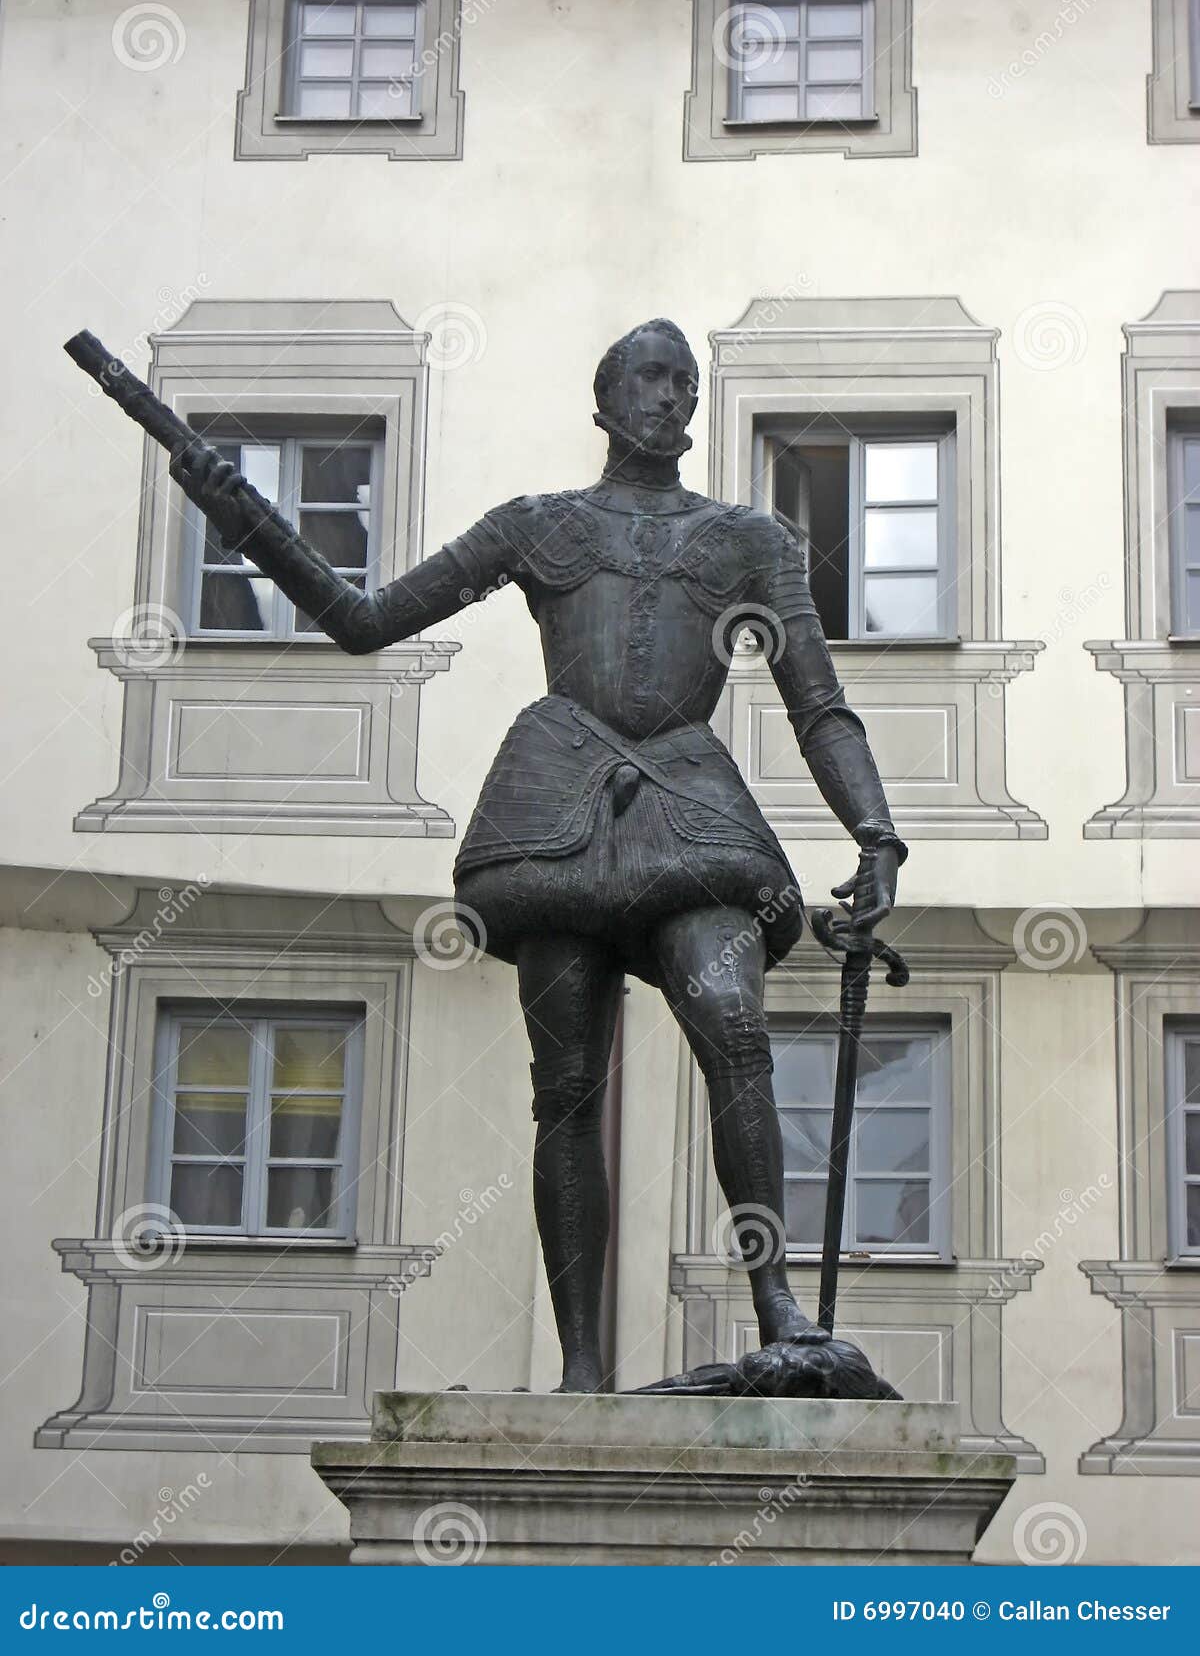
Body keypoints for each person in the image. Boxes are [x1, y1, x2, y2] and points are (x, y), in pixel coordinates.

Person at [171, 318, 906, 1393]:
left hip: (692, 811)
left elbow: (820, 707)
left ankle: (777, 1301)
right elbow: (366, 618)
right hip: (560, 805)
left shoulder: (750, 538)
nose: (671, 399)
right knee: (565, 1089)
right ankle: (583, 1366)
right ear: (604, 401)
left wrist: (876, 834)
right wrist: (244, 518)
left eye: (685, 384)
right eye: (650, 380)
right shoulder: (538, 523)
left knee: (737, 1032)